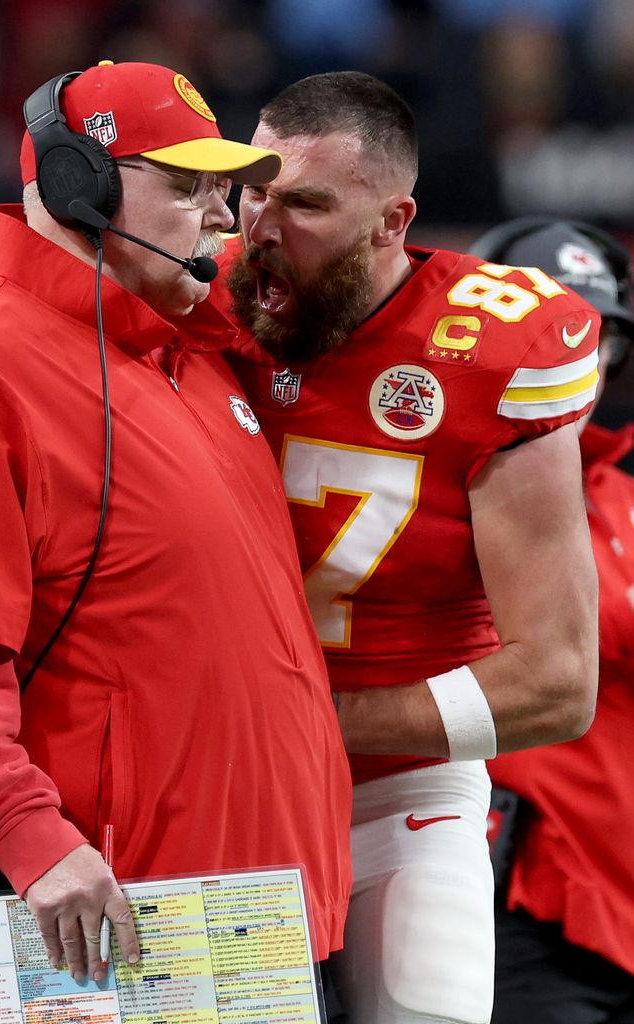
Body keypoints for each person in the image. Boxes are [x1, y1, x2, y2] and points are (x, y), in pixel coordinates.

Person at [0, 60, 353, 1020]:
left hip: (246, 914)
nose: (221, 220)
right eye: (188, 189)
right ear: (80, 187)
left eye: (223, 192)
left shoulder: (181, 349)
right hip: (94, 922)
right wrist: (33, 840)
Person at [212, 71, 600, 1024]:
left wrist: (302, 723)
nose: (262, 225)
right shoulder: (193, 291)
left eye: (305, 202)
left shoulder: (488, 348)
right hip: (219, 780)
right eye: (253, 189)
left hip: (398, 784)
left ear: (393, 220)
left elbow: (555, 681)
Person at [467, 218, 634, 1024]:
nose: (576, 356)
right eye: (552, 328)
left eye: (595, 338)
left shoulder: (625, 501)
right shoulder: (427, 489)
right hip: (518, 909)